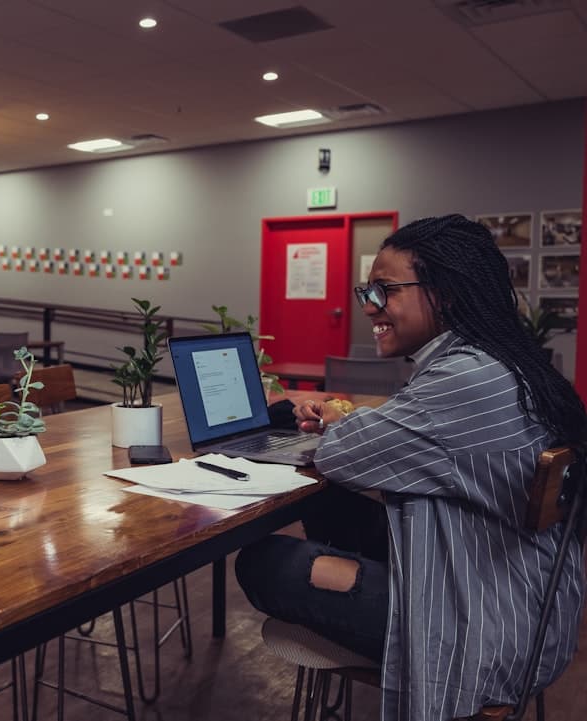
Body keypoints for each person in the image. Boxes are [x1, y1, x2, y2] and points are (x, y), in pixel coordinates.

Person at [235, 214, 586, 721]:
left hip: (478, 628)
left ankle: (347, 578)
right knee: (337, 501)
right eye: (367, 290)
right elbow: (403, 443)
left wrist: (340, 424)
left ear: (443, 294)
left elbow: (339, 455)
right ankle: (347, 575)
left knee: (261, 561)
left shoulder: (466, 376)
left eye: (385, 290)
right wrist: (350, 423)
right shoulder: (502, 362)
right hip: (516, 599)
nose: (369, 306)